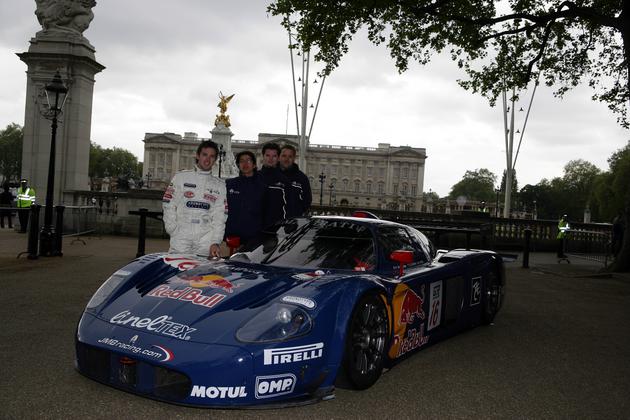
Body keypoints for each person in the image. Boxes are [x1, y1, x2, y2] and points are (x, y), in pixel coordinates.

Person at [162, 140, 227, 257]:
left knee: (202, 274)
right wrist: (172, 228)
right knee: (177, 271)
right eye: (204, 154)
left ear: (216, 159)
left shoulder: (220, 185)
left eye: (212, 156)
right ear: (198, 155)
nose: (207, 159)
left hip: (205, 240)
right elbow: (168, 204)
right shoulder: (180, 177)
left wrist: (216, 241)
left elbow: (220, 216)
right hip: (181, 236)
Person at [225, 151, 267, 246]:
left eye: (248, 160)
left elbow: (266, 212)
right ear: (238, 165)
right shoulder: (229, 184)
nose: (245, 164)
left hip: (254, 237)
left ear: (254, 165)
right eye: (242, 161)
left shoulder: (262, 187)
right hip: (232, 236)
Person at [259, 142, 288, 227]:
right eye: (268, 155)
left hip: (276, 228)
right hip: (255, 228)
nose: (270, 159)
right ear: (263, 156)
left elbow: (290, 207)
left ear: (278, 158)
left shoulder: (284, 180)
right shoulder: (254, 178)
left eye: (274, 156)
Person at [279, 144, 312, 218]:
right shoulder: (272, 175)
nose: (286, 159)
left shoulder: (302, 178)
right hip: (272, 222)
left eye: (290, 156)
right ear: (279, 157)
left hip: (293, 222)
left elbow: (307, 200)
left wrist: (296, 212)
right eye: (284, 156)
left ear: (294, 158)